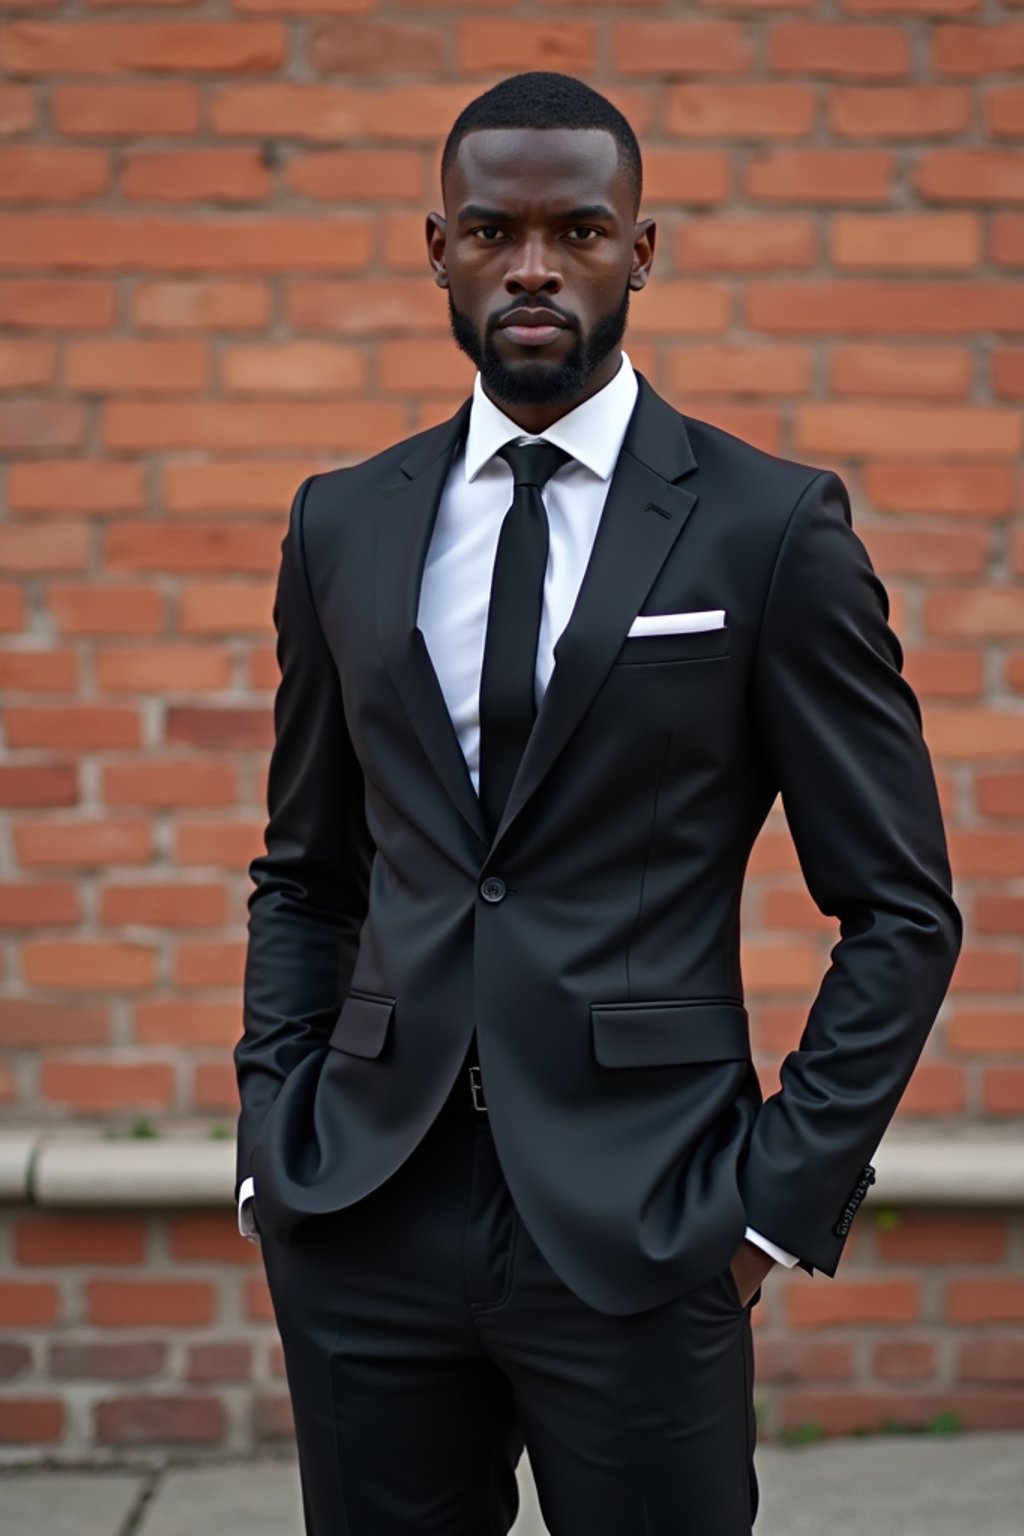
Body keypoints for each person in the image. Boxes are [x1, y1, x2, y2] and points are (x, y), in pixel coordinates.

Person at [232, 71, 961, 1536]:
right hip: (366, 1201)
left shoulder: (769, 529)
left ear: (645, 247)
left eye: (579, 229)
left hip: (647, 1219)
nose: (535, 267)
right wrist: (276, 1142)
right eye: (494, 231)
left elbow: (899, 909)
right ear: (436, 244)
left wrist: (767, 1208)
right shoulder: (343, 521)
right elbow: (308, 871)